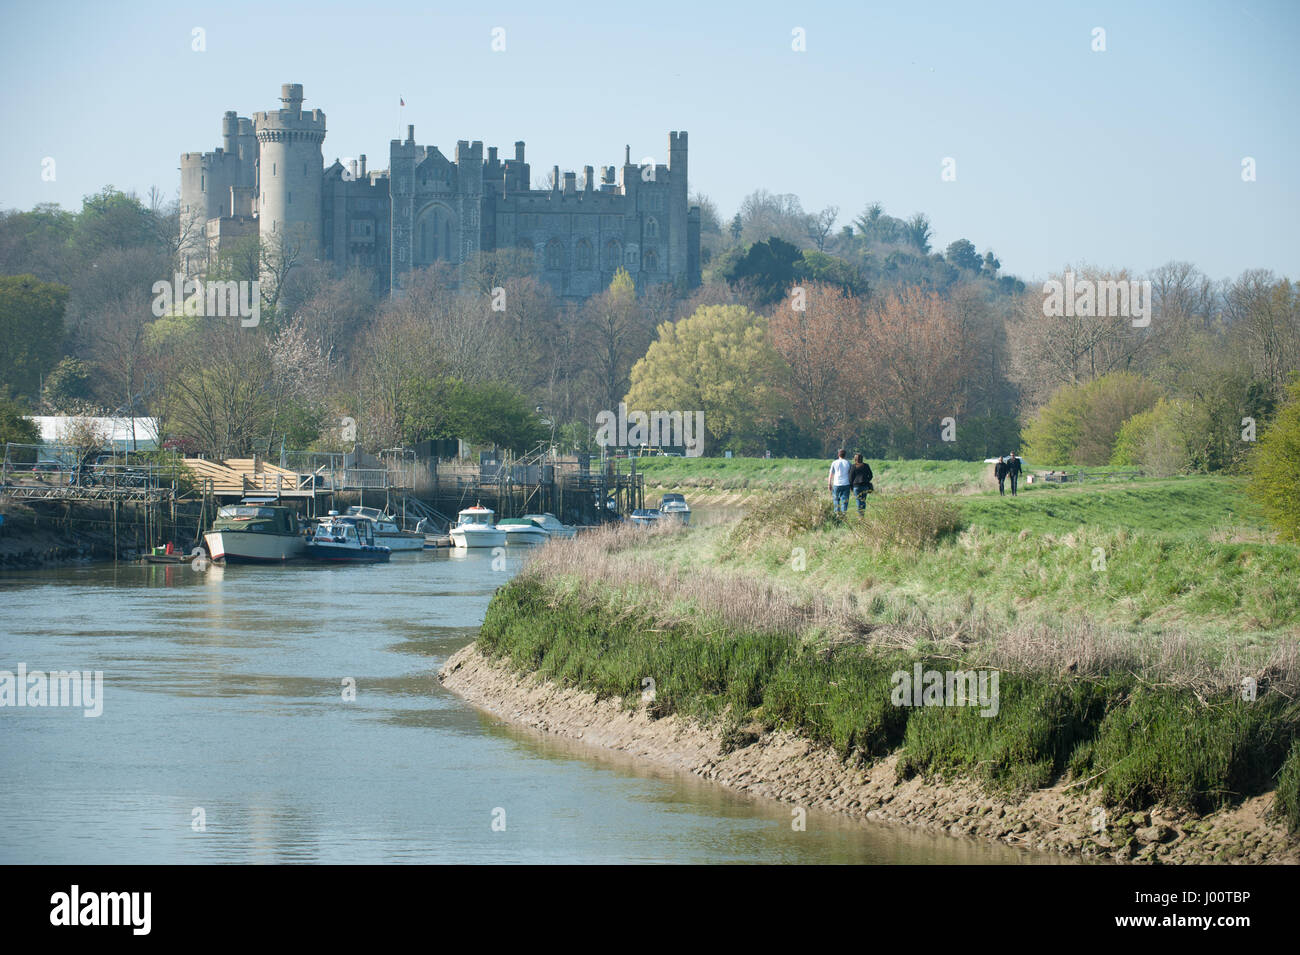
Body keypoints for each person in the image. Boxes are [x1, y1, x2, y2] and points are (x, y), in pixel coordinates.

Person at [827, 449, 851, 514]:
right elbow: (850, 474)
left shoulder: (834, 463)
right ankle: (843, 514)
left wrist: (829, 484)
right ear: (845, 455)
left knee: (836, 499)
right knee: (844, 501)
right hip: (846, 483)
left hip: (836, 484)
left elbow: (831, 474)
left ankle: (837, 513)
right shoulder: (848, 463)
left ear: (838, 455)